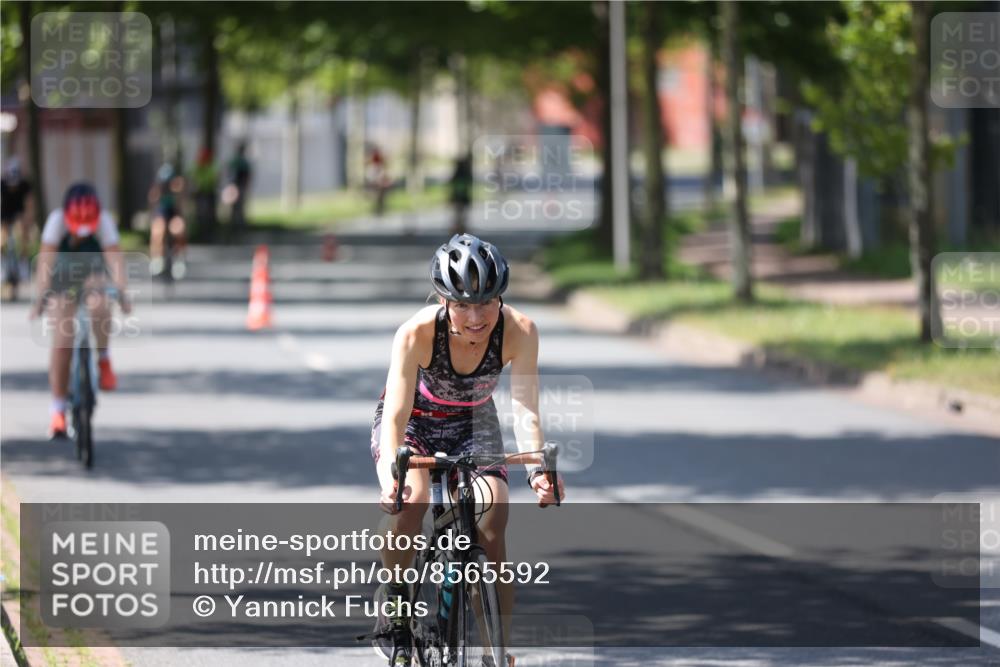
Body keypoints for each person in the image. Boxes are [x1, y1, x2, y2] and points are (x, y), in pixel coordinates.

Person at [370, 234, 565, 665]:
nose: (476, 317)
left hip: (473, 423)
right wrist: (391, 478)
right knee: (412, 500)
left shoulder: (520, 331)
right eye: (462, 305)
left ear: (501, 299)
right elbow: (397, 415)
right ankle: (397, 601)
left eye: (487, 303)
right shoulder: (416, 333)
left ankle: (498, 652)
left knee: (493, 518)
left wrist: (538, 471)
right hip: (414, 425)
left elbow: (525, 410)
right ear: (443, 301)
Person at [30, 183, 130, 439]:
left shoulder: (105, 222)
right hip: (61, 278)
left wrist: (122, 293)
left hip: (92, 275)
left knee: (100, 305)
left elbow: (115, 261)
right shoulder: (56, 222)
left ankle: (103, 357)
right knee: (62, 341)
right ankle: (58, 411)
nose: (83, 234)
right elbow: (45, 263)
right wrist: (40, 298)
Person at [1, 159, 34, 300]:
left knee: (23, 233)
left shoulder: (25, 184)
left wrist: (28, 220)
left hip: (19, 213)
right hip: (5, 213)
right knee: (2, 238)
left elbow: (30, 203)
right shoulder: (2, 183)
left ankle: (23, 262)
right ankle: (2, 265)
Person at [148, 161, 187, 279]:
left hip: (173, 214)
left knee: (178, 229)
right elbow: (152, 206)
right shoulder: (157, 191)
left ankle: (179, 259)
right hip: (161, 214)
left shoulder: (177, 189)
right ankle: (157, 258)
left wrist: (179, 191)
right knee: (158, 231)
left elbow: (181, 208)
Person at [190, 147, 219, 238]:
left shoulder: (211, 168)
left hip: (209, 194)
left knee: (209, 214)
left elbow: (213, 180)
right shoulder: (197, 167)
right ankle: (200, 233)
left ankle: (209, 233)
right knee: (200, 214)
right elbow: (192, 178)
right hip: (200, 194)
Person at [223, 141, 252, 231]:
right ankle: (236, 224)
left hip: (235, 186)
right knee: (238, 206)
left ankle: (236, 224)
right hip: (237, 186)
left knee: (236, 206)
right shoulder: (241, 162)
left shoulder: (236, 161)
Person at [448, 154, 473, 235]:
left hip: (456, 196)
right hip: (464, 197)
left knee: (457, 214)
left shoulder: (456, 175)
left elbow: (452, 186)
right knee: (462, 214)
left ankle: (457, 228)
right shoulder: (467, 175)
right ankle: (462, 228)